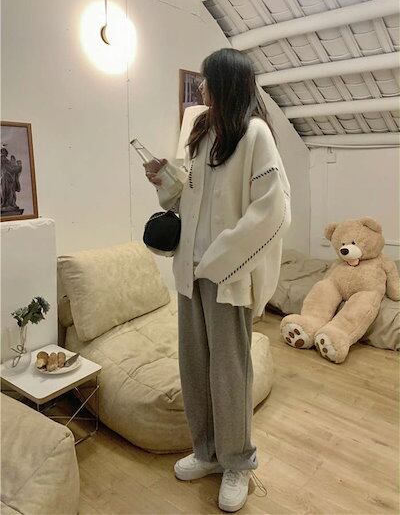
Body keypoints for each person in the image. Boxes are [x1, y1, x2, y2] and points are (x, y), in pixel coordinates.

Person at [143, 48, 291, 513]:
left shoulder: (255, 134)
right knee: (194, 365)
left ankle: (237, 462)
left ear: (227, 82)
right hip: (189, 273)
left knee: (230, 372)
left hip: (228, 275)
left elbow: (273, 210)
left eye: (207, 80)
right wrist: (165, 180)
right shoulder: (202, 132)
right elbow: (189, 199)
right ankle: (206, 452)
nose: (201, 87)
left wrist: (220, 255)